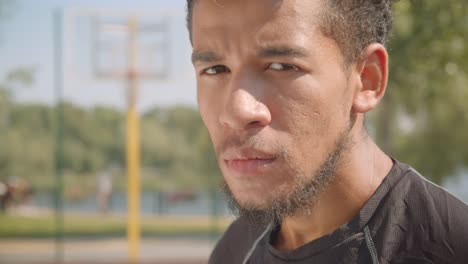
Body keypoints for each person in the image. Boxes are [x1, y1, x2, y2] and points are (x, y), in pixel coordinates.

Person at [186, 0, 468, 263]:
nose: (236, 112)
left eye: (281, 66)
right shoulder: (235, 249)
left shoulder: (451, 246)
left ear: (367, 79)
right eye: (214, 69)